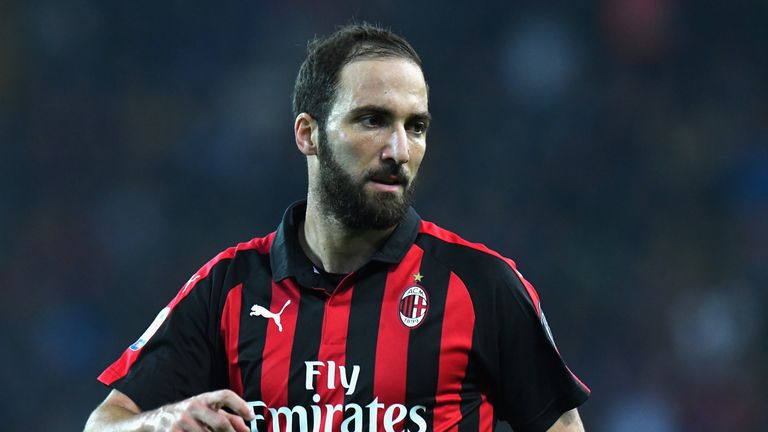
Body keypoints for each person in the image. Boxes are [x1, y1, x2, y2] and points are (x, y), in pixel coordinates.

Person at [85, 23, 590, 432]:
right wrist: (162, 421)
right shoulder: (228, 287)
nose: (399, 151)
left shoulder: (483, 286)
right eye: (372, 120)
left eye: (415, 126)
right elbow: (104, 424)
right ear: (308, 134)